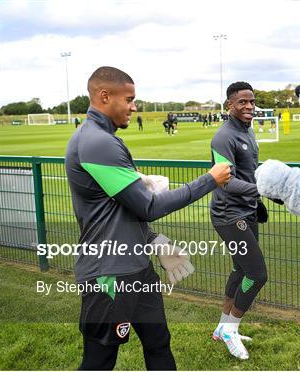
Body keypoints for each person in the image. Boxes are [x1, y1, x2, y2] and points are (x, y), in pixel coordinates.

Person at [65, 66, 231, 370]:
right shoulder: (97, 142)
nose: (134, 106)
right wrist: (209, 179)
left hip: (136, 269)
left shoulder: (102, 138)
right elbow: (148, 207)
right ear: (104, 96)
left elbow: (120, 209)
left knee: (158, 342)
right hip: (109, 274)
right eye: (129, 99)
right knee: (99, 360)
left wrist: (154, 240)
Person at [209, 81, 268, 360]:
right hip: (229, 215)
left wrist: (258, 202)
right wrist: (263, 191)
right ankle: (232, 328)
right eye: (242, 102)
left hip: (246, 211)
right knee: (256, 274)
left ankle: (222, 328)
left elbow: (249, 173)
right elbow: (226, 182)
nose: (249, 107)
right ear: (229, 105)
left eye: (252, 102)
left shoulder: (248, 131)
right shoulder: (223, 137)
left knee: (240, 271)